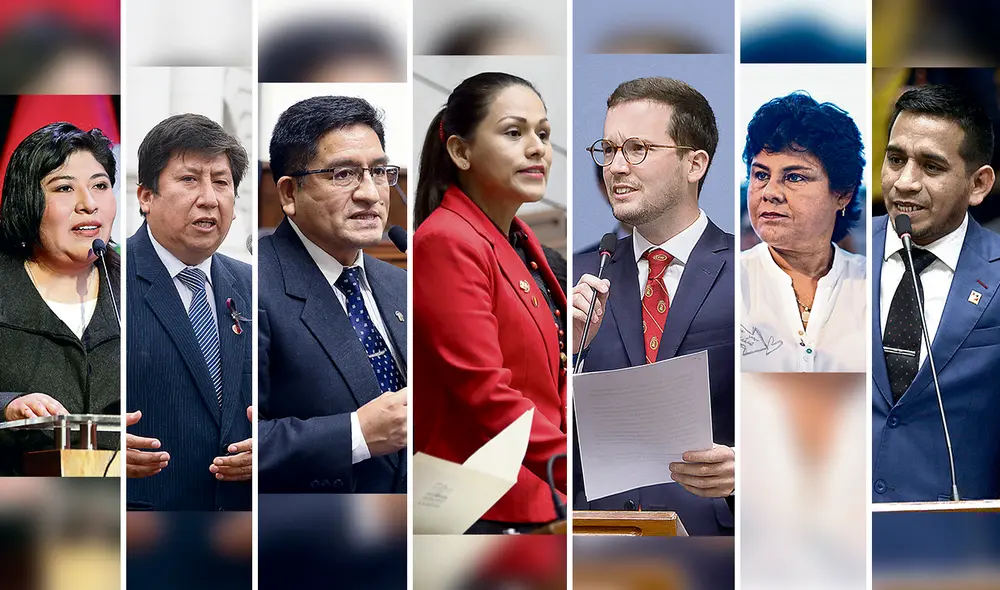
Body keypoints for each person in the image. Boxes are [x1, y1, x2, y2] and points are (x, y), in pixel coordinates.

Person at [572, 77, 734, 535]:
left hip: (712, 539)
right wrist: (567, 356)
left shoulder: (751, 273)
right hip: (596, 539)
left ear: (694, 163)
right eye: (608, 149)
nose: (616, 167)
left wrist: (748, 471)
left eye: (637, 149)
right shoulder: (581, 275)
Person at [413, 72, 567, 533]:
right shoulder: (446, 240)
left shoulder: (520, 239)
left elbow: (544, 367)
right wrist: (573, 464)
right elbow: (484, 390)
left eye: (543, 133)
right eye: (514, 132)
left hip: (535, 492)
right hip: (476, 505)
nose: (537, 147)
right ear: (461, 151)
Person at [258, 96, 407, 494]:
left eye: (379, 172)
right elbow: (229, 442)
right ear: (289, 193)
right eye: (344, 174)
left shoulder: (400, 283)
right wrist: (354, 434)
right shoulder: (252, 286)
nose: (371, 194)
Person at [874, 84, 1000, 502]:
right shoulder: (833, 257)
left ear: (978, 184)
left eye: (931, 167)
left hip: (956, 542)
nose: (904, 183)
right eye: (895, 159)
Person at [126, 113, 252, 510]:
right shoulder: (106, 277)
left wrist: (275, 442)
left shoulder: (253, 285)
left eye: (221, 182)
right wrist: (99, 446)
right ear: (146, 196)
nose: (210, 198)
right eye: (189, 179)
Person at [0, 122, 119, 474]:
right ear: (27, 200)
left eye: (100, 186)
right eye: (64, 188)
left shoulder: (137, 290)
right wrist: (8, 407)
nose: (89, 204)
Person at [741, 92, 866, 372]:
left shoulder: (876, 285)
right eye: (761, 175)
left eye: (794, 177)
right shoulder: (727, 283)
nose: (770, 192)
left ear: (843, 194)